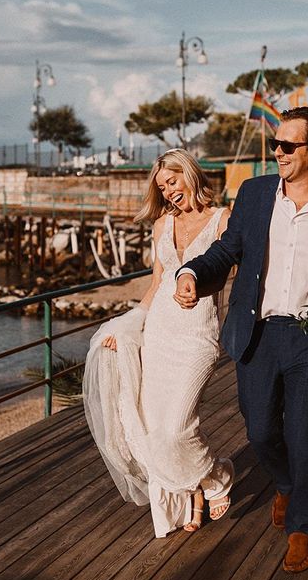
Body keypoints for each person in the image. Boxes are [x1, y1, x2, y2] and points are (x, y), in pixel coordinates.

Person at [175, 107, 308, 573]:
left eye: (287, 146)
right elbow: (229, 249)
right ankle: (284, 483)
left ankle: (303, 527)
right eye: (275, 146)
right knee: (261, 429)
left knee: (305, 435)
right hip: (257, 333)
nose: (278, 153)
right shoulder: (256, 193)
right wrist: (192, 272)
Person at [83, 148, 234, 538]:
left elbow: (229, 272)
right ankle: (191, 497)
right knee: (154, 428)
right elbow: (155, 286)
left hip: (198, 335)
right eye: (162, 186)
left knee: (178, 428)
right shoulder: (162, 226)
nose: (168, 191)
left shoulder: (222, 220)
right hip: (159, 334)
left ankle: (217, 475)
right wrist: (130, 325)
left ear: (190, 175)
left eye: (172, 181)